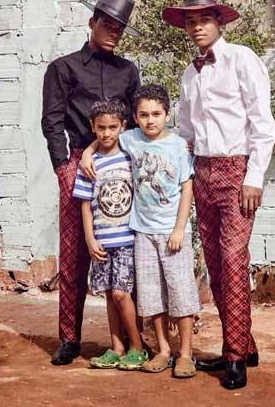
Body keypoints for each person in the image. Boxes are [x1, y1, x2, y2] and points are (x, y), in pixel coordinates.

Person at [162, 0, 275, 389]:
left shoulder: (242, 60)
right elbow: (187, 132)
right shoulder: (188, 76)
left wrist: (255, 177)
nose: (196, 28)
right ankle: (243, 344)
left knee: (232, 261)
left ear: (219, 22)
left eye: (204, 20)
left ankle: (234, 360)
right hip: (202, 174)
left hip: (237, 173)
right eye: (190, 21)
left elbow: (263, 124)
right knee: (214, 265)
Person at [41, 0, 141, 365]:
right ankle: (69, 338)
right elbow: (51, 122)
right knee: (74, 254)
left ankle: (136, 337)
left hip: (120, 169)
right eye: (107, 24)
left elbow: (133, 121)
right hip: (79, 169)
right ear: (92, 23)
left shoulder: (128, 70)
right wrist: (63, 167)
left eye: (119, 28)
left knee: (130, 249)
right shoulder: (63, 68)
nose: (113, 32)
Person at [82, 84, 200, 379]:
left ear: (167, 114)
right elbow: (105, 135)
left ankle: (185, 354)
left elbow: (187, 188)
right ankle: (162, 350)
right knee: (151, 296)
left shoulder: (177, 145)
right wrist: (87, 152)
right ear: (135, 117)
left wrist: (179, 229)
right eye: (144, 115)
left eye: (157, 114)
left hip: (172, 232)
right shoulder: (131, 139)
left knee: (180, 291)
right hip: (142, 232)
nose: (151, 120)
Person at [73, 98, 147, 370]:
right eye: (101, 128)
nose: (106, 133)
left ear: (123, 127)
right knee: (107, 293)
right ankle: (116, 347)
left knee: (120, 293)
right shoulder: (89, 165)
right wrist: (90, 239)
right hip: (102, 242)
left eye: (112, 127)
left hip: (127, 240)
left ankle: (137, 347)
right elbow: (85, 204)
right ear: (93, 127)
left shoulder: (130, 158)